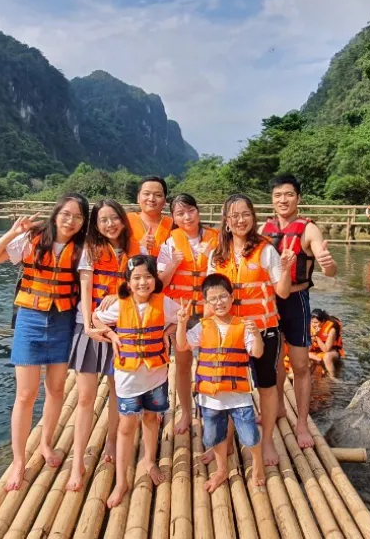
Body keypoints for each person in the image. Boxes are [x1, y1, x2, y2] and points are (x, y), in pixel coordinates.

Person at [0, 194, 89, 491]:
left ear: (83, 222)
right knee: (26, 394)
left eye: (77, 217)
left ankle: (46, 443)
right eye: (66, 214)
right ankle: (18, 461)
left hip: (63, 321)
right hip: (29, 320)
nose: (70, 221)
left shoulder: (81, 250)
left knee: (55, 390)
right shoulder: (31, 240)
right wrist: (13, 231)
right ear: (56, 215)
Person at [209, 194, 293, 467]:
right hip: (229, 333)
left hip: (263, 331)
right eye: (234, 216)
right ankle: (226, 439)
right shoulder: (217, 255)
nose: (240, 220)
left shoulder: (266, 250)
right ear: (226, 221)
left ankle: (266, 440)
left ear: (253, 217)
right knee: (227, 387)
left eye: (245, 214)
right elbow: (211, 297)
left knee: (266, 387)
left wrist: (287, 269)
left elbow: (282, 291)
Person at [93, 255, 180, 508]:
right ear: (128, 283)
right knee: (126, 426)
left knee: (152, 419)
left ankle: (149, 461)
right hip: (128, 377)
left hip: (156, 374)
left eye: (148, 277)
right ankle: (121, 482)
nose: (143, 282)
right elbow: (97, 318)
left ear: (155, 279)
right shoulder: (120, 305)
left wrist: (166, 333)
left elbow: (179, 318)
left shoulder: (165, 303)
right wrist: (111, 334)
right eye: (137, 278)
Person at [262, 174, 336, 450]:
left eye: (289, 194)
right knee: (275, 360)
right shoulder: (264, 229)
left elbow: (328, 266)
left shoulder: (308, 229)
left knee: (301, 365)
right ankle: (279, 407)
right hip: (270, 301)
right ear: (272, 200)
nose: (283, 200)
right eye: (278, 195)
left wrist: (327, 264)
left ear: (298, 198)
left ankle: (302, 422)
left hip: (296, 301)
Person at [175, 274, 266, 492]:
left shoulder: (243, 325)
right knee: (214, 437)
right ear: (206, 302)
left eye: (223, 297)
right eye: (213, 299)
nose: (219, 302)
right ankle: (222, 470)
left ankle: (258, 466)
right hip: (211, 399)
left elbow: (257, 352)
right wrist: (181, 323)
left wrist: (257, 335)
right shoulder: (202, 326)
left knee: (250, 436)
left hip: (239, 397)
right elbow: (182, 345)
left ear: (231, 297)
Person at [65, 199, 133, 491]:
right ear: (95, 224)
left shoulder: (132, 251)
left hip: (124, 328)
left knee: (119, 391)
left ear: (122, 219)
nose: (109, 224)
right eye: (103, 220)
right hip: (90, 329)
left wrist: (120, 295)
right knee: (85, 398)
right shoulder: (90, 252)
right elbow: (86, 288)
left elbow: (142, 285)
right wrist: (90, 324)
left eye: (114, 218)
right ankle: (77, 462)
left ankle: (112, 439)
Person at [158, 193, 218, 436]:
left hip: (210, 310)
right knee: (183, 364)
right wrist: (172, 264)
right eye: (180, 213)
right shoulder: (170, 243)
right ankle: (185, 411)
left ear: (198, 210)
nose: (186, 217)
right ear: (173, 217)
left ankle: (211, 413)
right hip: (181, 313)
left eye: (190, 210)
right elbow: (160, 283)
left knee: (211, 363)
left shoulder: (216, 239)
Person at [127, 176, 174, 258]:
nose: (151, 199)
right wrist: (139, 246)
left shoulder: (173, 224)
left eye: (158, 195)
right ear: (138, 198)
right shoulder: (125, 221)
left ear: (165, 200)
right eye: (146, 194)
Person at [309, 309, 344, 377]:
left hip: (331, 351)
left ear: (323, 322)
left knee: (327, 357)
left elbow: (326, 350)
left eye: (316, 322)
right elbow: (307, 349)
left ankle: (332, 378)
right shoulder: (309, 327)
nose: (313, 325)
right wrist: (312, 339)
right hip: (315, 351)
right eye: (312, 322)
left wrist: (317, 336)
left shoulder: (332, 329)